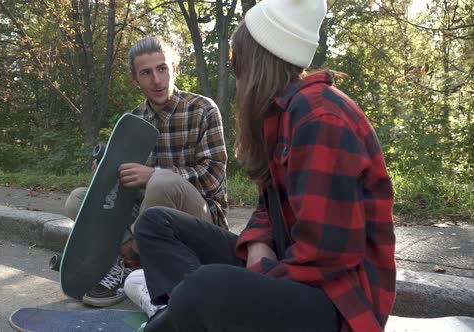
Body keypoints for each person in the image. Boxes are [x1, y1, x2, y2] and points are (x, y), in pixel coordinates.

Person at [132, 0, 396, 331]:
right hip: (288, 269)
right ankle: (186, 313)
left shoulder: (320, 118)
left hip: (336, 302)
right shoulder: (281, 115)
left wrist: (254, 276)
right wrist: (258, 243)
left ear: (257, 64)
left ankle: (182, 312)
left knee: (206, 285)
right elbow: (268, 207)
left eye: (238, 67)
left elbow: (328, 254)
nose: (239, 81)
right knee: (155, 224)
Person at [64, 36, 229, 308]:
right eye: (146, 73)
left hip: (200, 219)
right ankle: (131, 255)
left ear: (174, 68)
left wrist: (153, 173)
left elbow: (213, 178)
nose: (156, 79)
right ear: (135, 79)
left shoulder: (203, 110)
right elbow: (128, 187)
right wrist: (106, 173)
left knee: (162, 181)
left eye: (162, 68)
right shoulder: (133, 120)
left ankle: (127, 262)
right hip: (147, 215)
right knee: (78, 200)